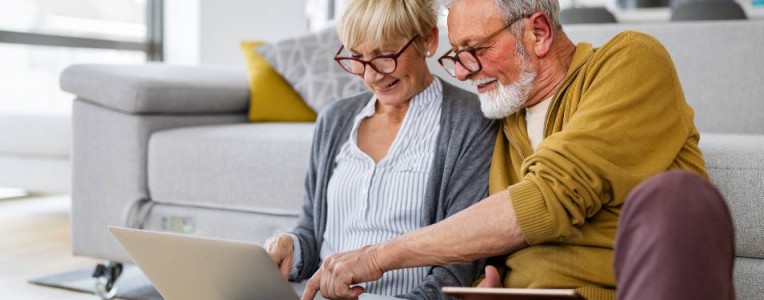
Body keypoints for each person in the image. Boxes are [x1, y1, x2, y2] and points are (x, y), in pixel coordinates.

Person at [300, 0, 735, 300]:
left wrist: (379, 257)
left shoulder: (630, 60)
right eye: (457, 55)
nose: (466, 73)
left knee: (679, 198)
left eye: (475, 51)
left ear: (539, 31)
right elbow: (482, 246)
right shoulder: (501, 121)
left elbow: (552, 196)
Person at [262, 0, 497, 298]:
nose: (371, 76)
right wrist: (289, 245)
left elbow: (460, 263)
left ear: (428, 39)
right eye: (357, 57)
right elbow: (312, 232)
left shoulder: (470, 122)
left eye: (385, 56)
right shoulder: (334, 120)